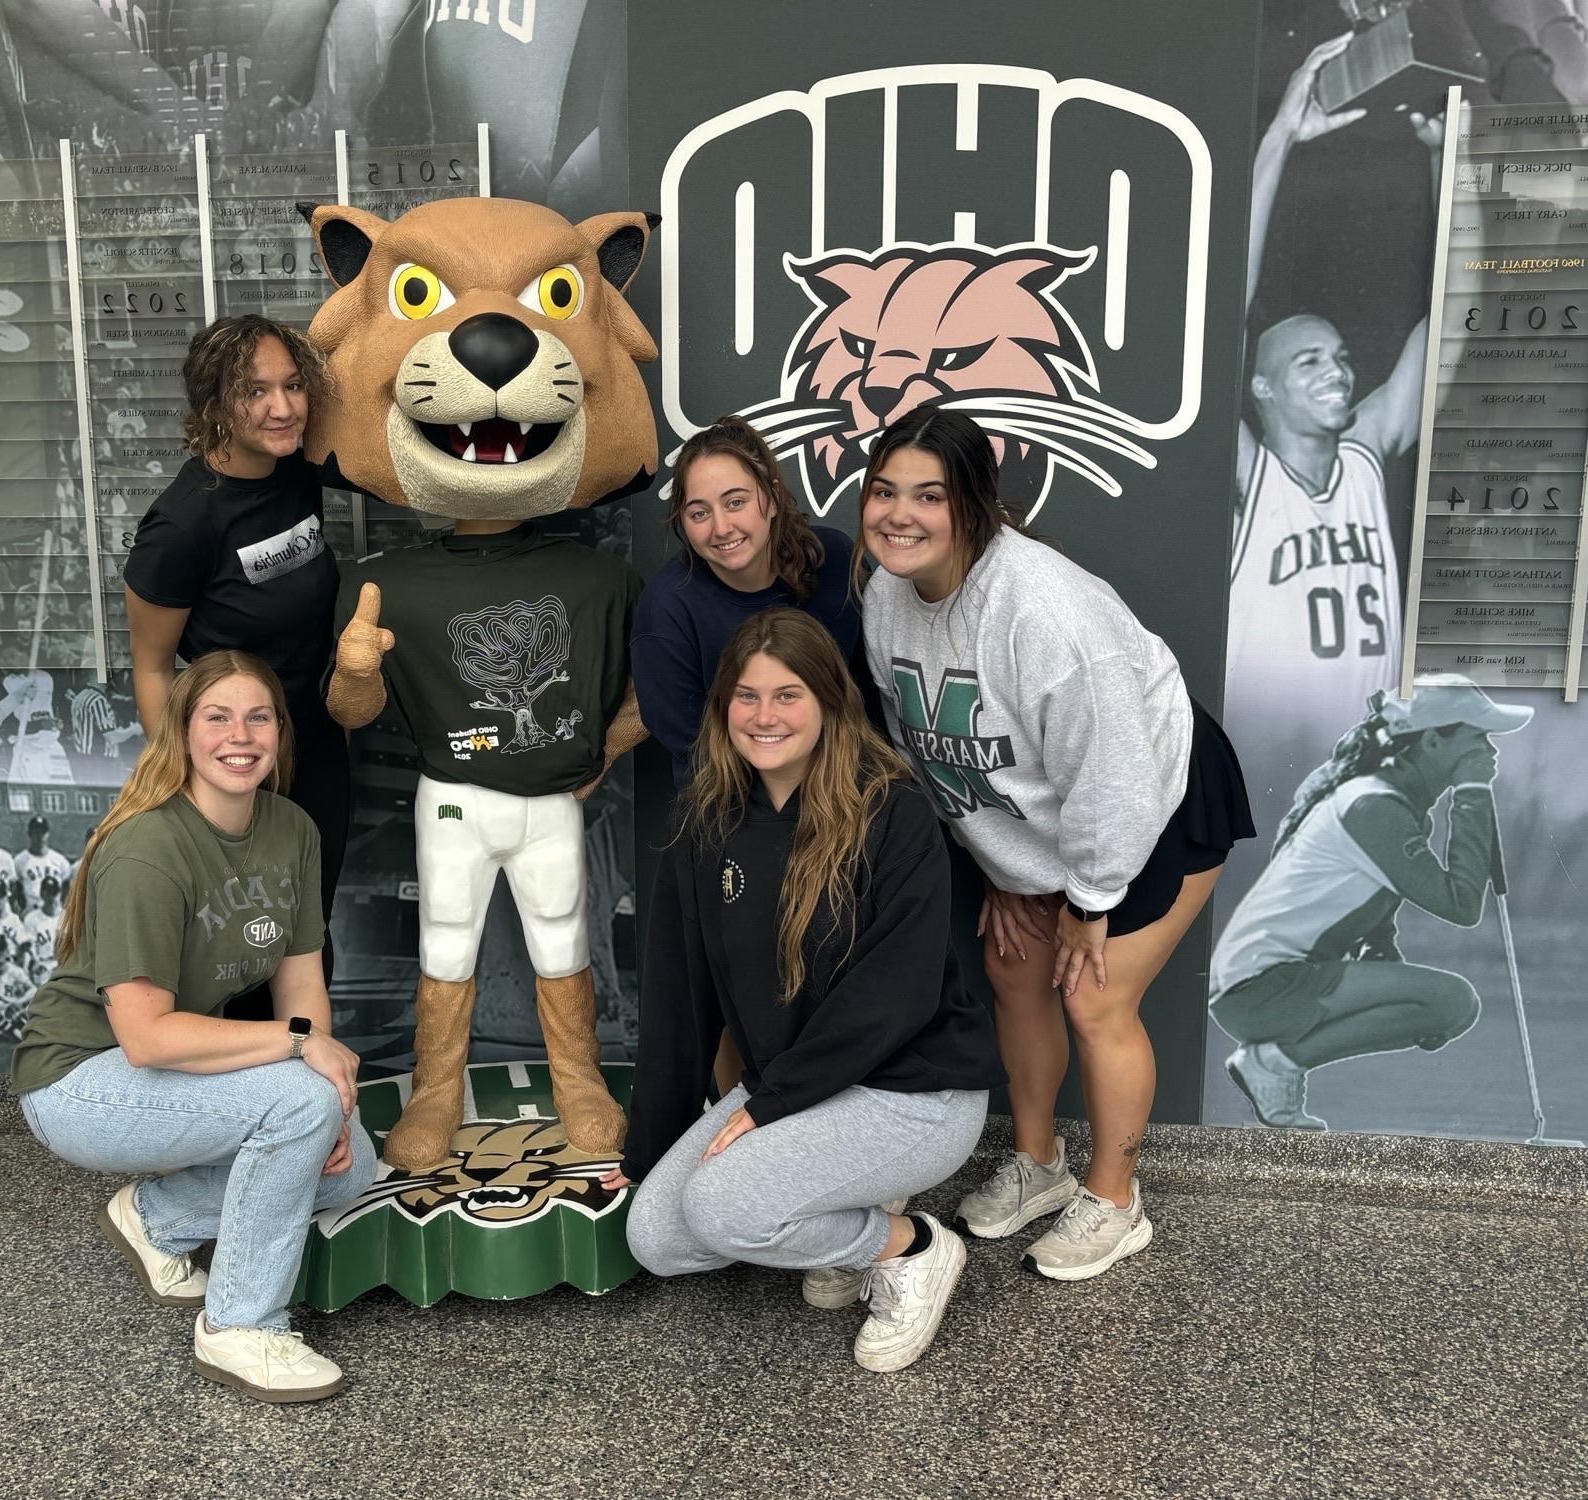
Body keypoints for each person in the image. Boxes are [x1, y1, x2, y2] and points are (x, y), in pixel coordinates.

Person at [858, 408, 1254, 1281]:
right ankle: (1038, 1165)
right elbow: (925, 740)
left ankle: (1116, 1201)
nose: (900, 514)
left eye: (930, 495)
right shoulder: (888, 591)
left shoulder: (1042, 608)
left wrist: (1086, 901)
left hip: (1155, 801)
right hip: (1056, 819)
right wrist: (1004, 867)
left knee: (1093, 999)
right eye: (884, 491)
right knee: (1010, 970)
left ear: (976, 505)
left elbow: (1114, 772)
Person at [608, 610, 1002, 1373]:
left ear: (828, 699)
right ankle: (848, 1212)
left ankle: (912, 1247)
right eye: (746, 697)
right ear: (723, 708)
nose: (765, 717)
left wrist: (766, 1108)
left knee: (723, 1208)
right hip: (796, 1089)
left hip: (913, 1091)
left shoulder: (893, 809)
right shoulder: (706, 821)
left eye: (787, 695)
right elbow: (679, 998)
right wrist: (649, 1143)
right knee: (656, 1237)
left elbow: (894, 995)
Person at [10, 650, 374, 1403]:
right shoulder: (148, 848)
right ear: (182, 731)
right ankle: (241, 1326)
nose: (239, 735)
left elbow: (300, 980)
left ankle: (156, 1219)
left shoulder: (290, 828)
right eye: (217, 716)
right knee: (299, 1105)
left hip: (171, 1069)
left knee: (352, 1162)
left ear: (280, 731)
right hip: (81, 1079)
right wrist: (301, 1050)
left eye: (258, 716)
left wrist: (331, 1088)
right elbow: (145, 1037)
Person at [1228, 34, 1437, 826]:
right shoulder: (1252, 478)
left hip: (1356, 773)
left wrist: (1447, 168)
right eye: (1309, 361)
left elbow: (1444, 317)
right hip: (1261, 767)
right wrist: (1280, 138)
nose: (1339, 371)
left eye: (1342, 358)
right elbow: (1221, 317)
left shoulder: (1365, 454)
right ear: (1260, 387)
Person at [123, 315, 351, 957]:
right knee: (247, 936)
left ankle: (302, 1053)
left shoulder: (299, 472)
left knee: (309, 926)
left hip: (316, 741)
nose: (282, 408)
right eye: (255, 392)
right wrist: (187, 785)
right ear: (214, 404)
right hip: (239, 751)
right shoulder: (182, 526)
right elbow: (151, 667)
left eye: (294, 385)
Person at [1210, 675, 1524, 1130]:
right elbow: (1462, 904)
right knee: (1454, 1001)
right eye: (1479, 737)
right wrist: (1472, 793)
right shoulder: (1373, 806)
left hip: (1265, 984)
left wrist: (1391, 973)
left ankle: (1273, 1063)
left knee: (1439, 1003)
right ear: (1434, 741)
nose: (1491, 752)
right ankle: (1271, 1063)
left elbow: (1369, 905)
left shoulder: (1385, 798)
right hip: (1260, 991)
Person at [632, 414, 862, 790]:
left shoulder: (833, 559)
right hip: (732, 803)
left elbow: (866, 700)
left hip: (845, 788)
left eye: (735, 502)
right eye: (699, 513)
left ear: (771, 498)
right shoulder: (667, 610)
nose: (721, 528)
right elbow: (695, 751)